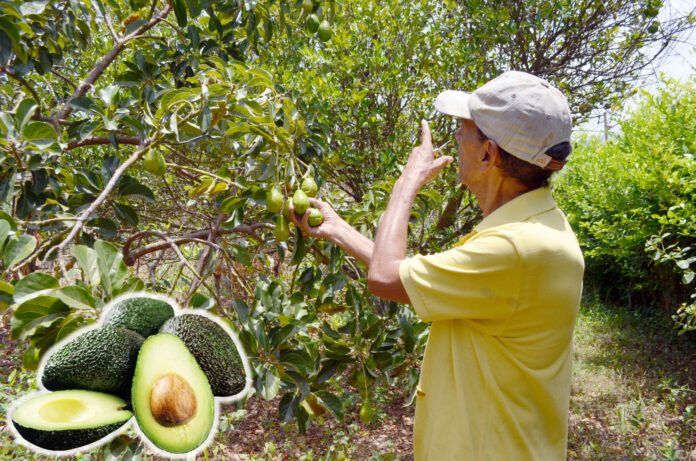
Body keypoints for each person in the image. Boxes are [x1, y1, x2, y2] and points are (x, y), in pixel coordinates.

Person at [289, 71, 585, 460]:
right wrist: (339, 230)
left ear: (488, 154)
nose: (457, 139)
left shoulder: (513, 248)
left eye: (464, 130)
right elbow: (406, 274)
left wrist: (407, 182)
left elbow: (384, 276)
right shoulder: (539, 230)